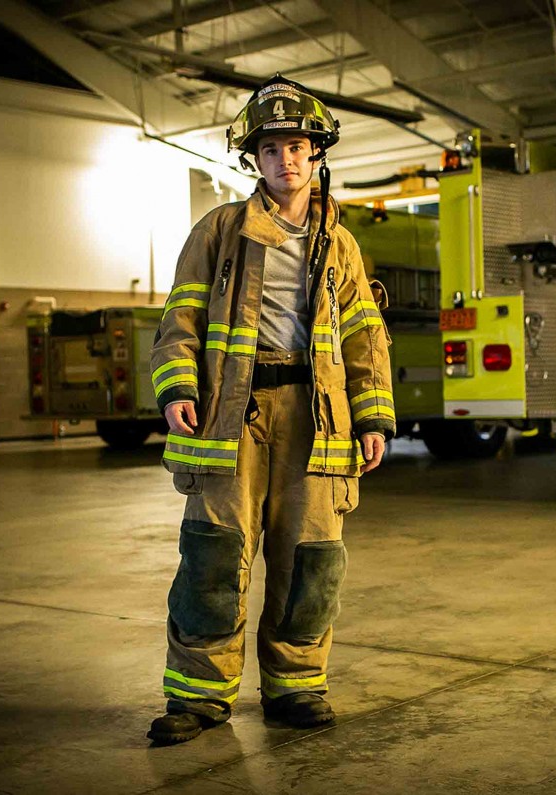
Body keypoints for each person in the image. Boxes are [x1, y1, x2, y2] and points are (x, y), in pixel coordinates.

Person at [145, 75, 395, 746]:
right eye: (273, 148)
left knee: (312, 558)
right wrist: (177, 390)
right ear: (253, 158)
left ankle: (296, 684)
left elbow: (364, 336)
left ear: (318, 155)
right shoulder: (220, 230)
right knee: (214, 553)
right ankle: (198, 694)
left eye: (299, 147)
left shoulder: (339, 242)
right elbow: (181, 318)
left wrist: (372, 418)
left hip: (315, 419)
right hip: (233, 415)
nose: (287, 160)